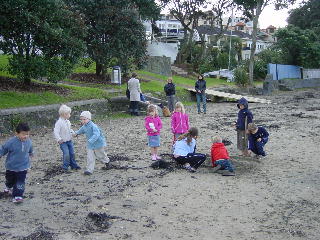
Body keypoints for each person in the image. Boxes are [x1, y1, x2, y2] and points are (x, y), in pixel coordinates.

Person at [0, 123, 33, 203]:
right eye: (23, 134)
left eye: (27, 134)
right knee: (10, 180)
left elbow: (30, 147)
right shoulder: (11, 142)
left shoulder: (28, 141)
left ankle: (18, 196)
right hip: (11, 167)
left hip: (23, 167)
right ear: (17, 133)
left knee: (20, 181)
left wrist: (31, 152)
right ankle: (8, 187)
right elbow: (4, 148)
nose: (26, 136)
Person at [75, 111, 110, 175]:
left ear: (89, 119)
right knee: (90, 157)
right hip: (90, 145)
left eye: (84, 119)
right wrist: (76, 133)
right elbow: (81, 130)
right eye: (81, 119)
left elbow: (97, 134)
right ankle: (89, 170)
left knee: (100, 155)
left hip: (98, 143)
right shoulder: (84, 126)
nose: (83, 121)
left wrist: (91, 140)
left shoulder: (93, 126)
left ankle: (107, 162)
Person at [53, 104, 81, 171]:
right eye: (68, 114)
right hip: (63, 142)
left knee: (72, 153)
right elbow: (56, 132)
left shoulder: (68, 122)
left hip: (69, 140)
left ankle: (73, 165)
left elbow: (69, 129)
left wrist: (73, 133)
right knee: (66, 154)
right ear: (64, 114)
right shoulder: (59, 123)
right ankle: (65, 167)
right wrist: (59, 139)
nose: (69, 115)